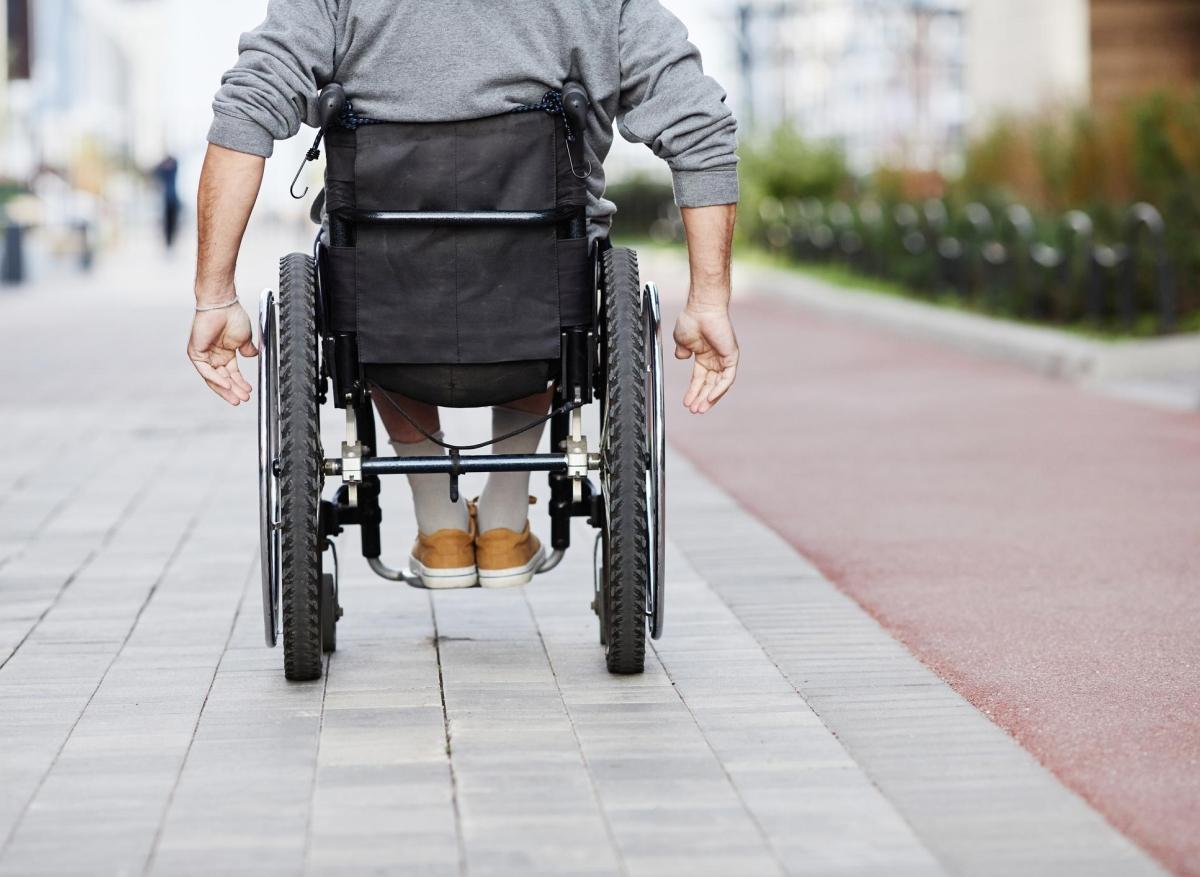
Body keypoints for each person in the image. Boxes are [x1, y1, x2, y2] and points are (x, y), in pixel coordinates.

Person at [187, 0, 741, 589]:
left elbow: (246, 109)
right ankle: (504, 522)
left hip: (383, 317)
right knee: (546, 268)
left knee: (374, 269)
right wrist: (708, 300)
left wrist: (214, 295)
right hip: (543, 313)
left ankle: (441, 526)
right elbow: (700, 124)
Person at [153, 155, 182, 249]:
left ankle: (171, 242)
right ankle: (168, 243)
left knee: (173, 222)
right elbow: (156, 170)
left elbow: (175, 163)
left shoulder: (173, 168)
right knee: (167, 223)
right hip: (166, 200)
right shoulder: (163, 171)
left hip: (173, 199)